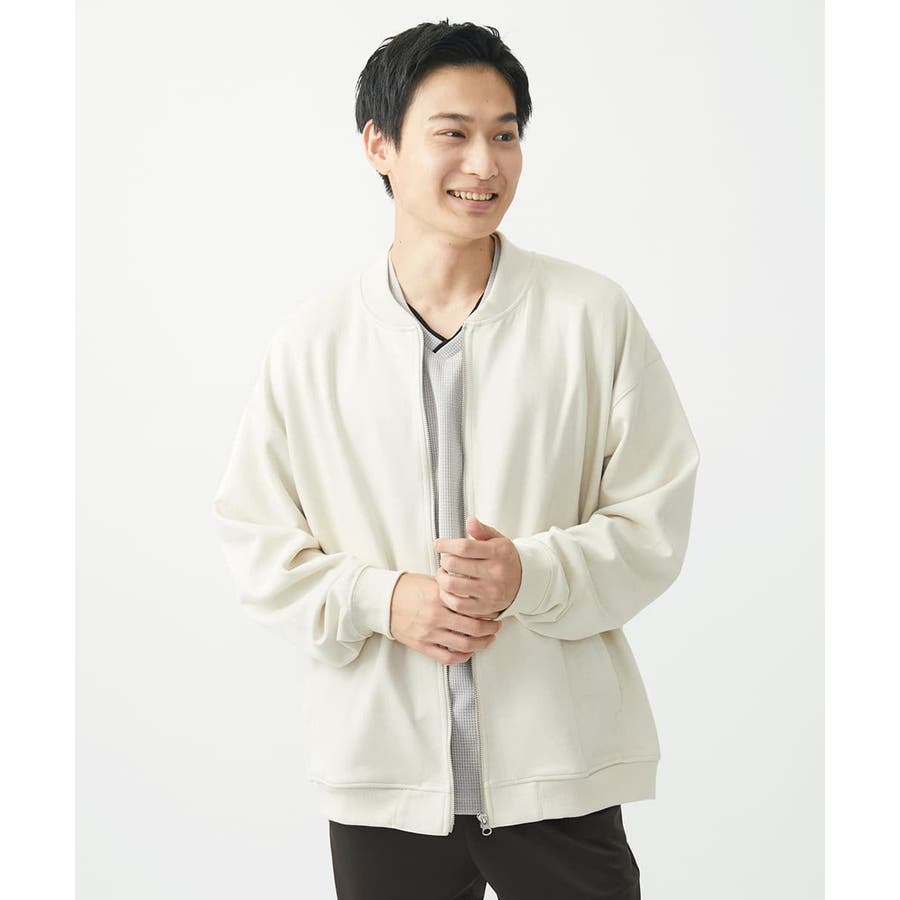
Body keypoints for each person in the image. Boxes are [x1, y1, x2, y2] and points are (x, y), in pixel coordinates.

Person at [213, 18, 700, 900]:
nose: (485, 163)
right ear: (380, 145)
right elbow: (256, 543)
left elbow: (653, 521)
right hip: (383, 783)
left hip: (559, 771)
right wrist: (383, 599)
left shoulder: (591, 318)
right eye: (454, 133)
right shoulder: (312, 344)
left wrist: (528, 575)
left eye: (505, 135)